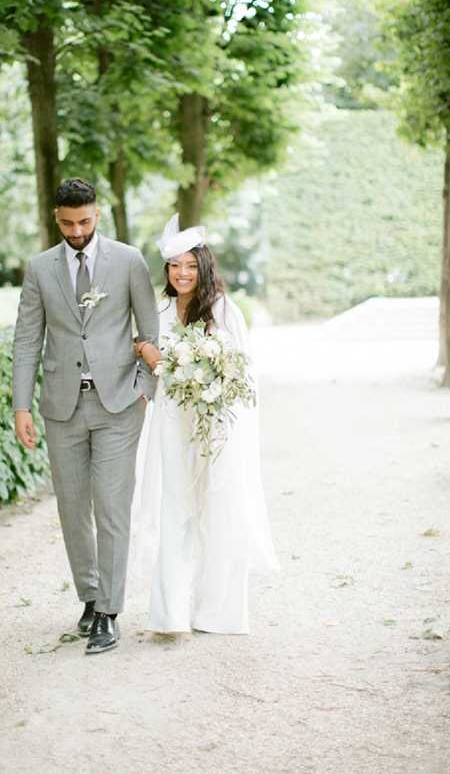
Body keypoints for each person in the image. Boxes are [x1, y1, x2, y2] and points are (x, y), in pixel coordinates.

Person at [12, 178, 158, 654]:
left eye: (86, 221)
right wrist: (20, 405)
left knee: (111, 510)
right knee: (73, 511)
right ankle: (91, 597)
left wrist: (144, 390)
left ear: (99, 213)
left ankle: (111, 613)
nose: (77, 231)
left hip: (119, 404)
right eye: (68, 223)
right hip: (61, 407)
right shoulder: (39, 269)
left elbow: (150, 331)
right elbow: (27, 339)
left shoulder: (129, 261)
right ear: (56, 217)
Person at [134, 214, 278, 635]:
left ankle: (220, 612)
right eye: (175, 265)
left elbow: (241, 371)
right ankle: (170, 613)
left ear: (204, 267)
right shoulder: (158, 311)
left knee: (218, 510)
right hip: (171, 422)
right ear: (166, 269)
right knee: (174, 508)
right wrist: (145, 349)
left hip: (215, 424)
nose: (182, 273)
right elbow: (149, 360)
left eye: (191, 265)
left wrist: (156, 356)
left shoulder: (223, 309)